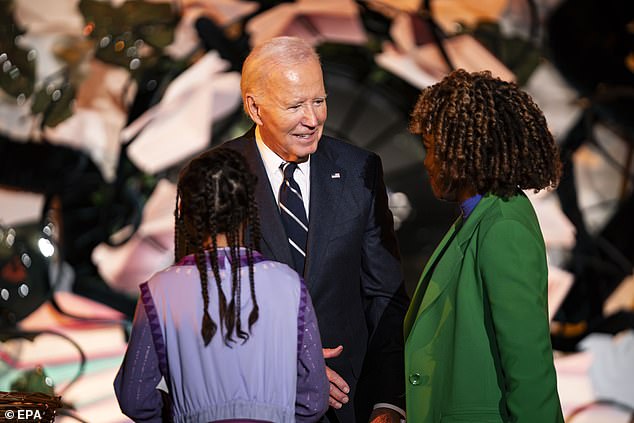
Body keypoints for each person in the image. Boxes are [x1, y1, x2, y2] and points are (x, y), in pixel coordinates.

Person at [220, 36, 409, 423]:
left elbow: (384, 294)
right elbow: (202, 303)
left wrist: (389, 399)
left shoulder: (360, 170)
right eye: (295, 106)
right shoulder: (216, 178)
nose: (313, 119)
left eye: (319, 101)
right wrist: (287, 363)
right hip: (253, 401)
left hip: (350, 407)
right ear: (255, 109)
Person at [113, 148, 329, 422]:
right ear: (248, 208)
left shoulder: (160, 291)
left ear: (185, 210)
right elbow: (314, 398)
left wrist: (175, 412)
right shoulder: (289, 285)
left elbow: (134, 398)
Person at [404, 69, 564, 423]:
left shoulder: (503, 225)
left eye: (431, 148)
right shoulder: (480, 217)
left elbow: (529, 366)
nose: (427, 163)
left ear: (463, 152)